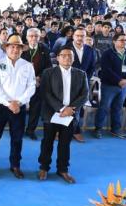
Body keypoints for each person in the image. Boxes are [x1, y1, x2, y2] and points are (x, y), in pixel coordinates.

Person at [0, 34, 36, 179]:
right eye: (12, 46)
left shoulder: (27, 66)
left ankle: (15, 165)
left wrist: (18, 102)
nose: (15, 49)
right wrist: (9, 103)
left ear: (22, 50)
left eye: (18, 47)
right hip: (1, 107)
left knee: (17, 138)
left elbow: (31, 87)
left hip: (19, 108)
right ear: (6, 48)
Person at [37, 47, 88, 184]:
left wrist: (71, 109)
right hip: (52, 113)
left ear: (73, 58)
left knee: (65, 143)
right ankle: (44, 167)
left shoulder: (81, 74)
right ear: (57, 58)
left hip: (70, 114)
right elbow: (45, 93)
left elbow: (84, 95)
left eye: (69, 56)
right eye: (63, 55)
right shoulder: (48, 73)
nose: (67, 58)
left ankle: (63, 169)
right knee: (47, 142)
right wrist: (61, 108)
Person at [94, 33, 126, 139]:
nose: (124, 42)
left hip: (124, 86)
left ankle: (115, 129)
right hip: (109, 85)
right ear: (114, 41)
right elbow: (106, 70)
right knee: (104, 107)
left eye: (125, 40)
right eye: (121, 40)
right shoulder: (107, 54)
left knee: (118, 108)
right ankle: (98, 129)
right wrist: (119, 80)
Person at [21, 28, 52, 140]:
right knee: (21, 107)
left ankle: (30, 130)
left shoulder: (44, 48)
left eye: (36, 36)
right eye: (31, 36)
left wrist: (39, 78)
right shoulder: (21, 48)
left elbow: (48, 66)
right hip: (22, 83)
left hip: (38, 83)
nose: (34, 38)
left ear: (40, 37)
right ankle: (18, 129)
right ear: (27, 37)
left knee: (35, 108)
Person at [67, 28, 95, 142]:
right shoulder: (66, 48)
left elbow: (92, 66)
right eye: (77, 35)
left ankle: (75, 130)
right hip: (67, 82)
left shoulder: (89, 49)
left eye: (82, 36)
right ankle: (60, 130)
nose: (80, 38)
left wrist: (85, 79)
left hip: (83, 83)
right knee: (64, 106)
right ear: (73, 36)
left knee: (77, 107)